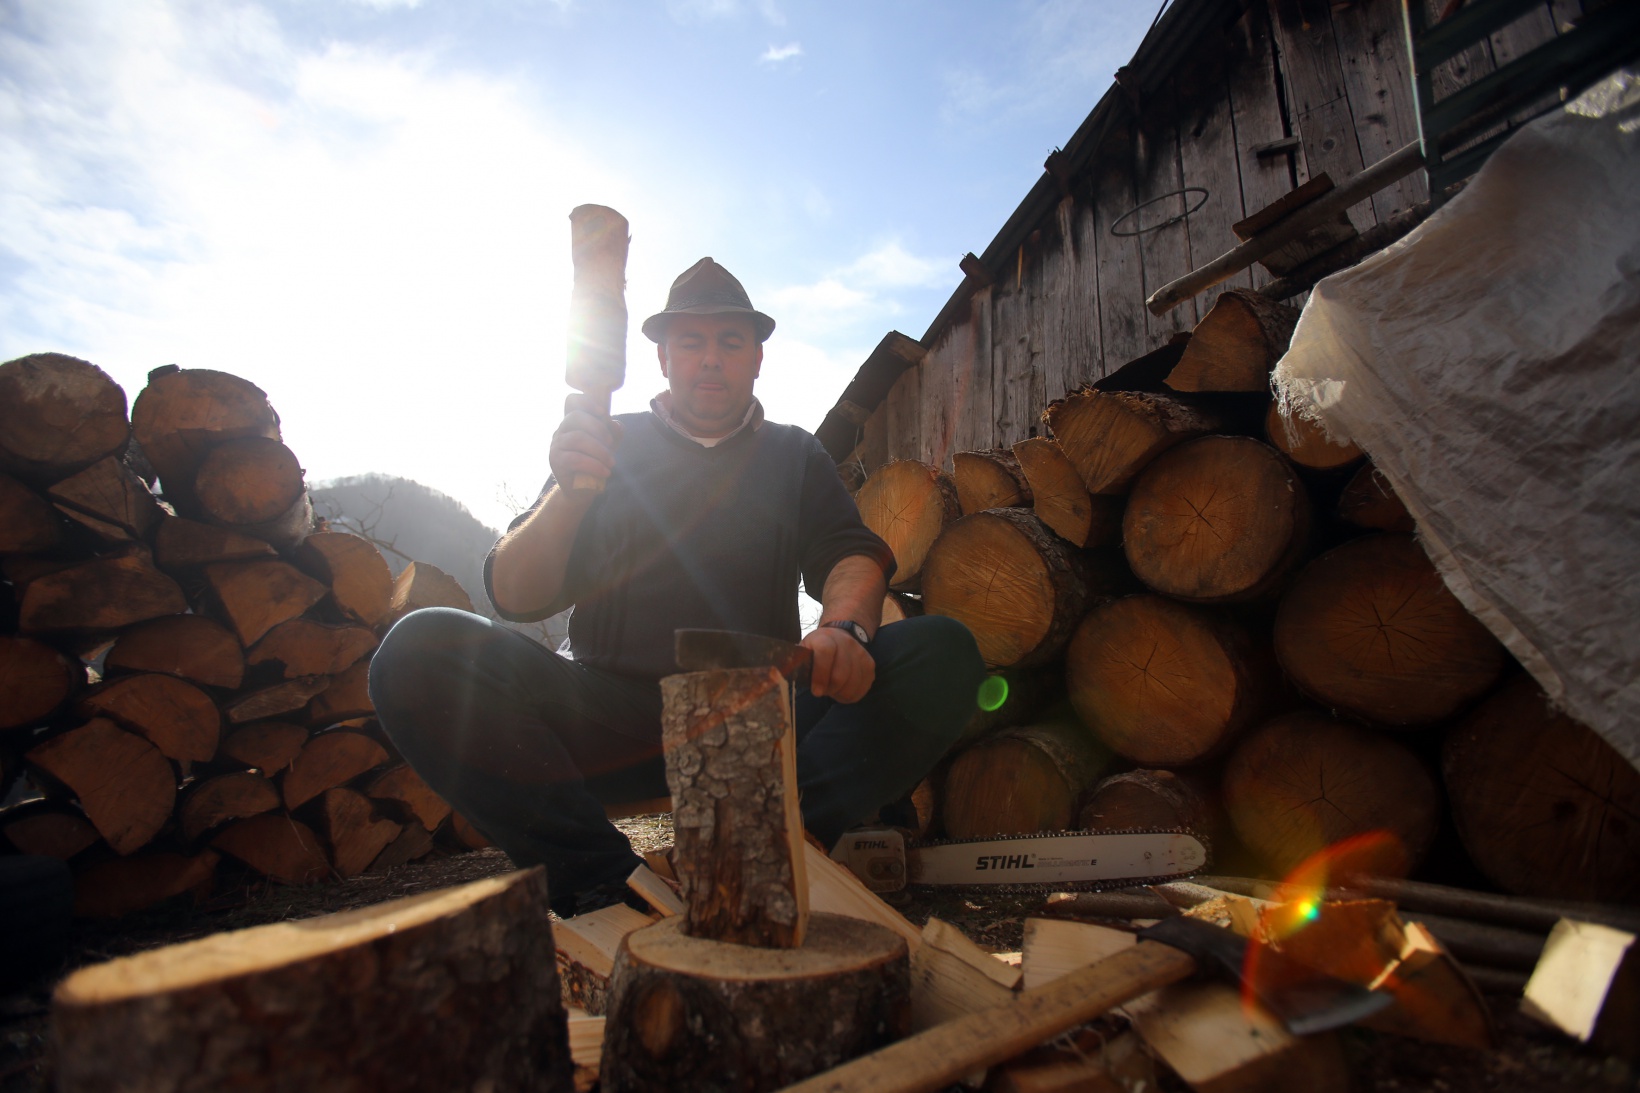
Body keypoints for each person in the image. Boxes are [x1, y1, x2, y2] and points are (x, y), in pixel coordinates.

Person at [368, 257, 984, 917]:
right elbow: (515, 596)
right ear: (662, 357)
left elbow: (851, 556)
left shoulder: (793, 455)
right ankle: (606, 883)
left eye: (730, 341)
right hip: (610, 716)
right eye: (691, 341)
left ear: (757, 359)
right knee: (417, 650)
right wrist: (570, 498)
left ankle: (769, 842)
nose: (710, 359)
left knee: (941, 651)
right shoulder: (609, 441)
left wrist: (845, 627)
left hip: (760, 718)